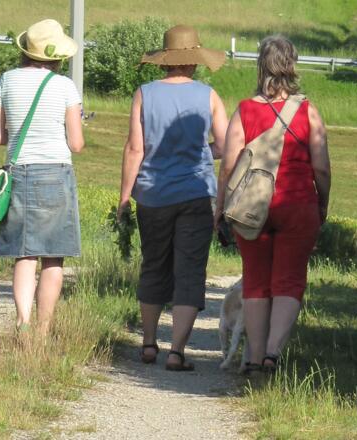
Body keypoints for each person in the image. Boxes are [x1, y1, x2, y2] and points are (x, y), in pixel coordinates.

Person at [215, 35, 331, 373]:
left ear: (260, 66)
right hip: (298, 203)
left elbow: (228, 166)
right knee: (289, 280)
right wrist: (322, 203)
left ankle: (253, 358)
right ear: (292, 65)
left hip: (252, 206)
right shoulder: (308, 112)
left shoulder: (245, 110)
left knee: (255, 280)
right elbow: (322, 168)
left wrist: (220, 207)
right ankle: (271, 353)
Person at [118, 24, 228, 371]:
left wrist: (124, 197)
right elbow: (226, 146)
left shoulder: (144, 93)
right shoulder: (208, 96)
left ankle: (149, 344)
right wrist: (202, 152)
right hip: (196, 194)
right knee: (189, 270)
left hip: (153, 194)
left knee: (154, 265)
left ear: (165, 60)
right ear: (194, 60)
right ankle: (177, 352)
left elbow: (135, 149)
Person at [0, 19, 84, 335]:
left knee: (24, 254)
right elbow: (76, 143)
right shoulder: (65, 86)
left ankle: (23, 321)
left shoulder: (6, 80)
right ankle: (42, 330)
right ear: (56, 56)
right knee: (53, 258)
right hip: (55, 171)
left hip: (18, 172)